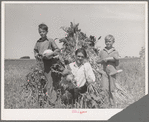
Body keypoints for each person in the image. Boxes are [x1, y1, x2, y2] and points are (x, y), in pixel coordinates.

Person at [34, 23, 60, 105]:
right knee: (41, 82)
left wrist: (51, 54)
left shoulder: (50, 41)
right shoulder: (38, 42)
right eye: (40, 32)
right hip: (40, 64)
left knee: (49, 82)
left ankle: (52, 102)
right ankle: (42, 100)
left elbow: (57, 50)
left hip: (48, 64)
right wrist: (37, 55)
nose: (41, 33)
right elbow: (35, 51)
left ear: (47, 32)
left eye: (43, 31)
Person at [97, 34, 122, 106]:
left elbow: (117, 64)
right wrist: (102, 60)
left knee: (112, 89)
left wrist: (112, 59)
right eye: (106, 41)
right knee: (104, 88)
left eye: (109, 41)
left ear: (113, 42)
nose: (108, 43)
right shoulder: (102, 51)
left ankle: (113, 104)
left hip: (112, 72)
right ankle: (105, 104)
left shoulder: (115, 52)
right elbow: (97, 60)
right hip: (104, 72)